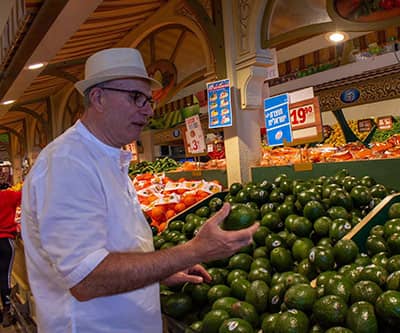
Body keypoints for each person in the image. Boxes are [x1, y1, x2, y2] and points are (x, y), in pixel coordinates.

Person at [21, 48, 259, 333]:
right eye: (135, 97)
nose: (147, 109)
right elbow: (86, 279)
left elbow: (117, 248)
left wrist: (161, 272)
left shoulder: (106, 157)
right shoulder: (67, 163)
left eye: (147, 100)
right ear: (98, 98)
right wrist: (192, 251)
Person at [0, 182, 21, 327]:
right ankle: (7, 311)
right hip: (6, 241)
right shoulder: (9, 195)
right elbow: (29, 194)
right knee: (5, 276)